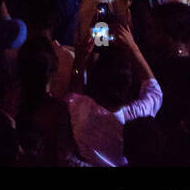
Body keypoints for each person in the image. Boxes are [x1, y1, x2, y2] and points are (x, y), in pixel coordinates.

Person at [66, 23, 162, 166]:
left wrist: (80, 61)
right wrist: (132, 47)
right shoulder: (137, 116)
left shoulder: (79, 109)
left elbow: (73, 91)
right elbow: (154, 90)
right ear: (128, 85)